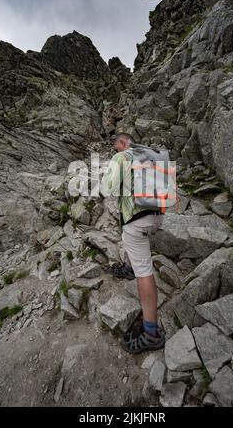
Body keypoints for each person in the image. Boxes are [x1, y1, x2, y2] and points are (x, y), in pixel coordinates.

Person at [101, 133, 165, 354]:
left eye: (115, 147)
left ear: (121, 143)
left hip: (136, 220)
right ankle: (128, 267)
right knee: (129, 234)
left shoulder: (122, 157)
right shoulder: (150, 153)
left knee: (144, 272)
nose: (116, 151)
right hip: (156, 215)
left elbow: (107, 188)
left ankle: (150, 333)